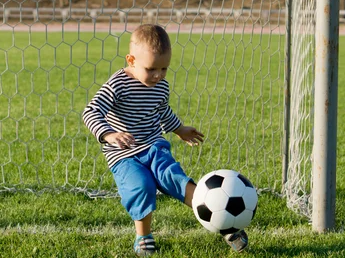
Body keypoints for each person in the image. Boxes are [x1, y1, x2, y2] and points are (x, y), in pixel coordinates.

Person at [82, 24, 248, 256]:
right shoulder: (117, 84)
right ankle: (143, 236)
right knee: (141, 186)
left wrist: (179, 129)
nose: (158, 75)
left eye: (164, 68)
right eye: (151, 69)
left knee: (176, 180)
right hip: (123, 153)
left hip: (154, 146)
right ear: (131, 60)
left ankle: (225, 224)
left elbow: (162, 110)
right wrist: (110, 134)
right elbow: (90, 111)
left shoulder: (160, 85)